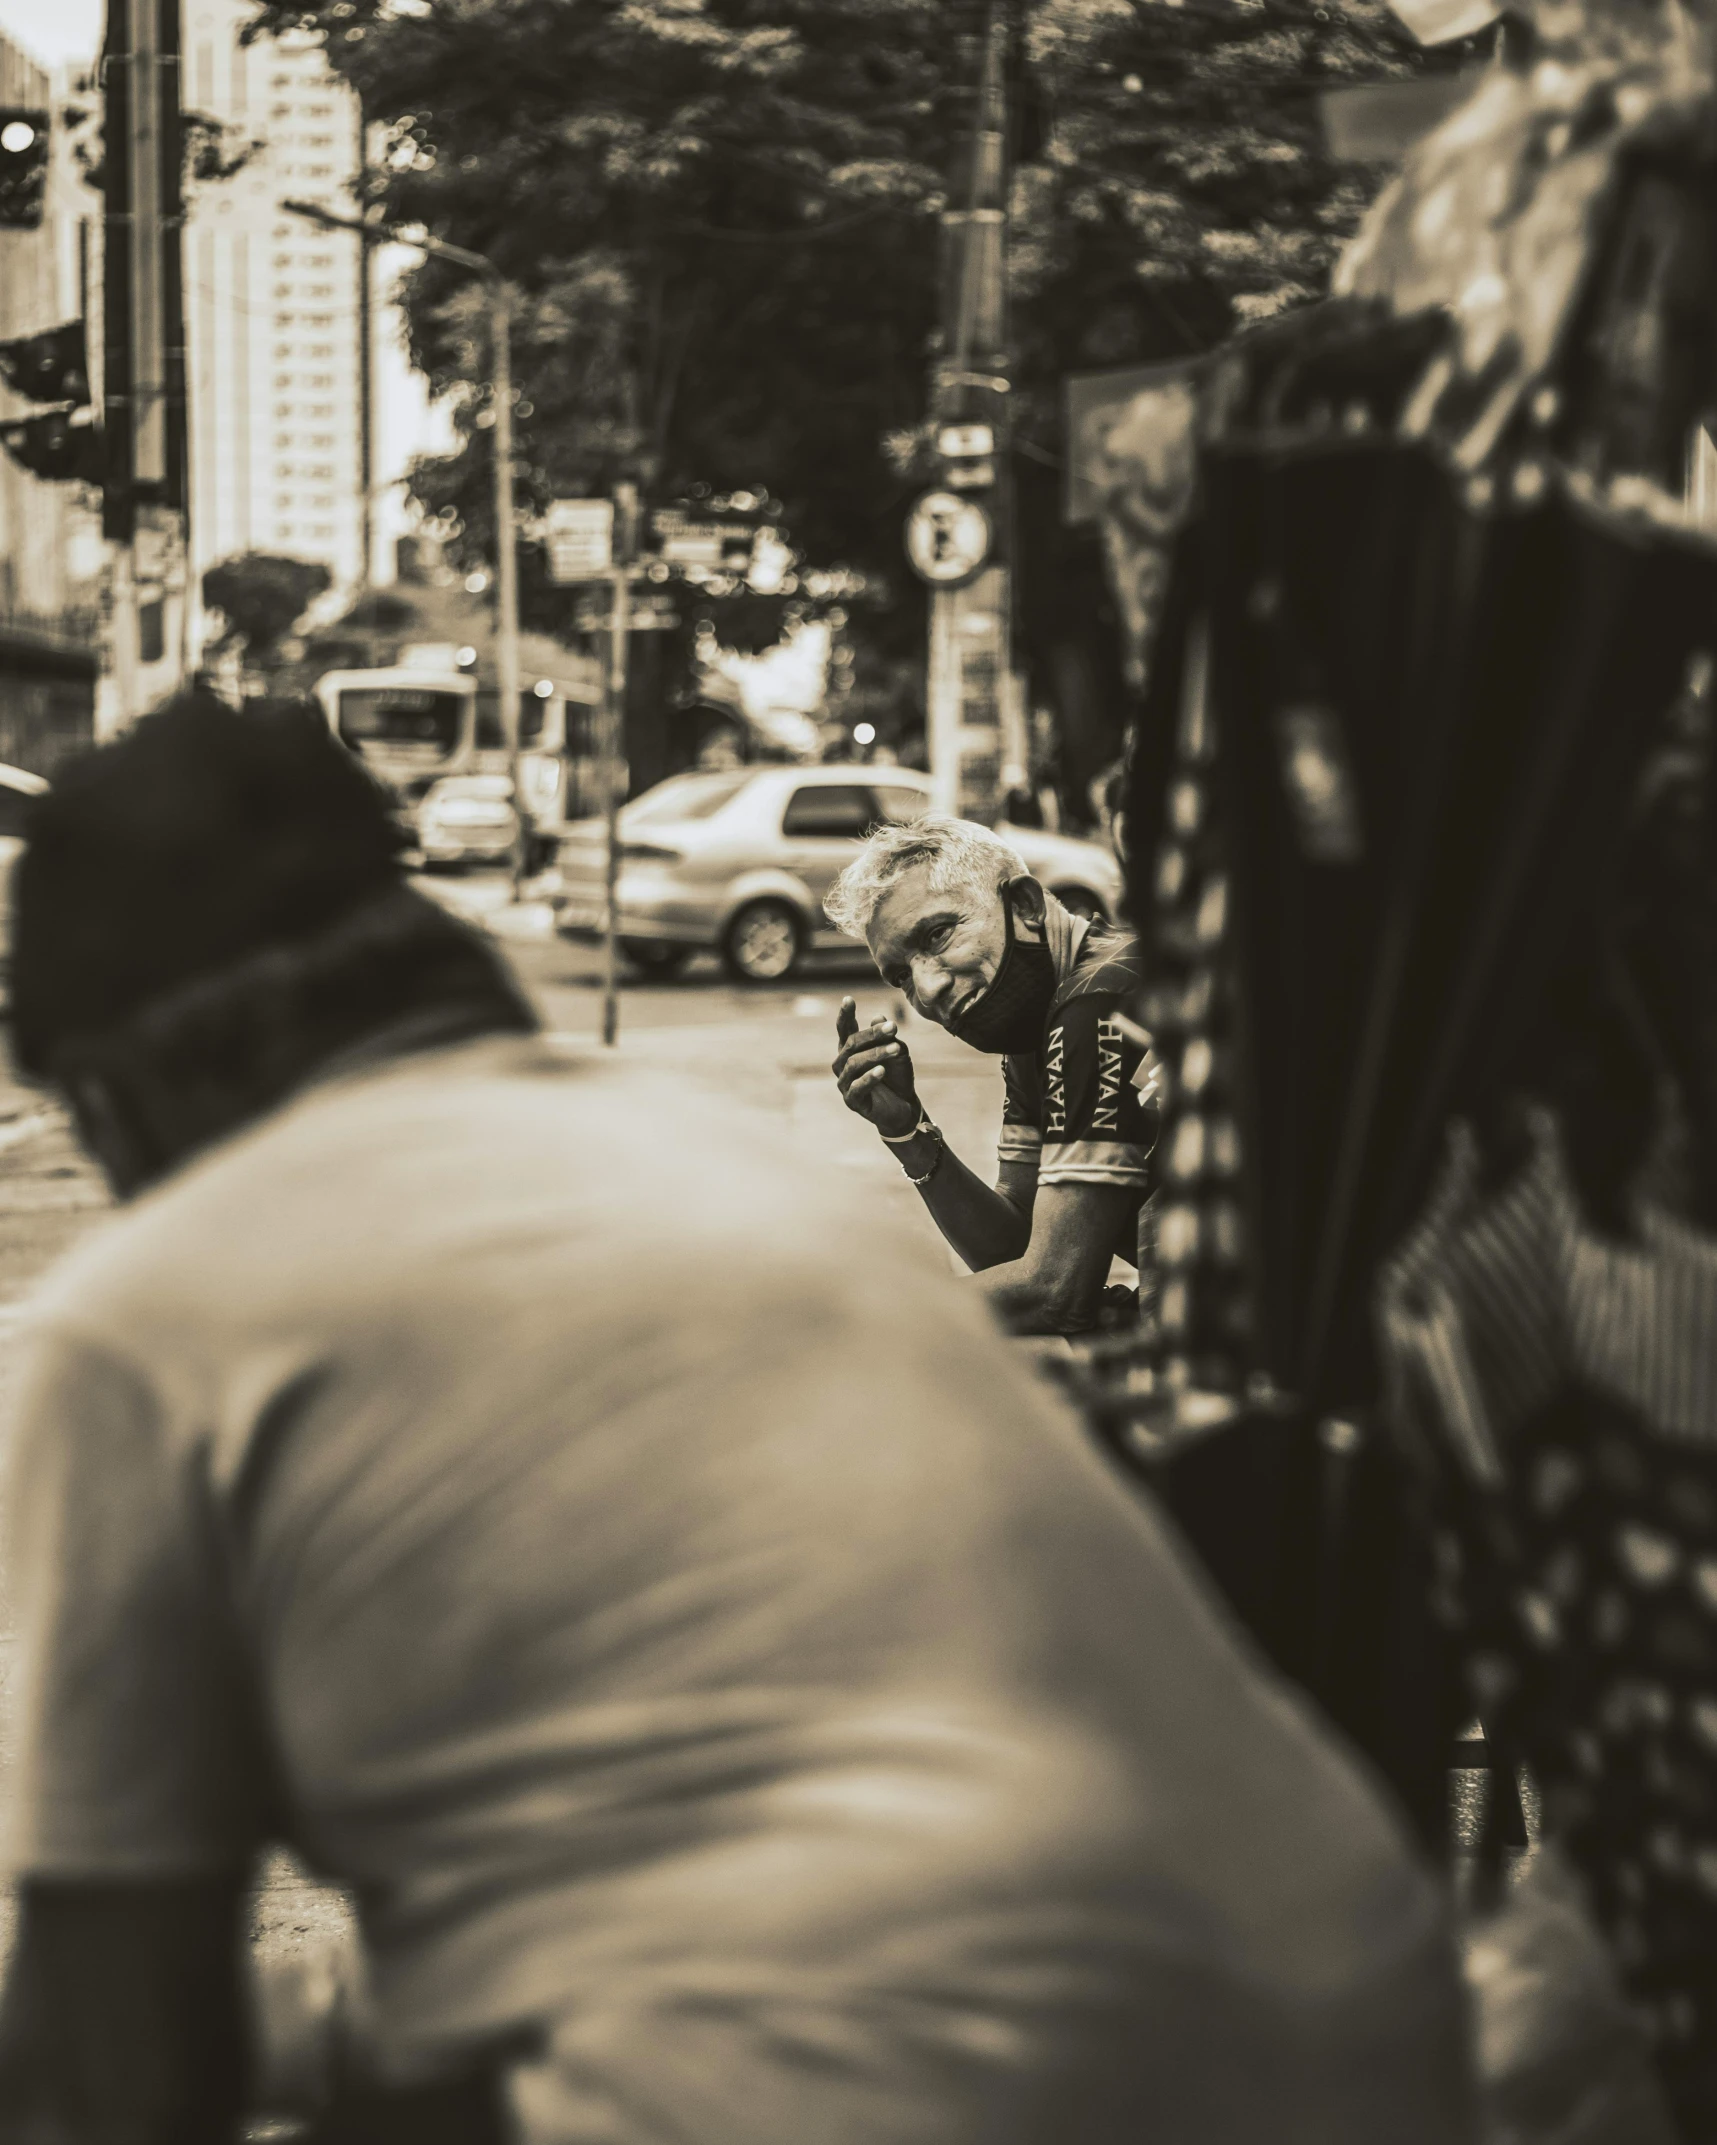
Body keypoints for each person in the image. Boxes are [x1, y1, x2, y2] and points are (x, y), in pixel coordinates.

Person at [0, 692, 1480, 2144]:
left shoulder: (144, 1329)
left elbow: (123, 2068)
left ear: (120, 1092)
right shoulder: (715, 1160)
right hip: (1358, 2019)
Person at [825, 814, 1157, 1336]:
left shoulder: (1095, 1006)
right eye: (901, 976)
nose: (927, 989)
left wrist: (859, 1320)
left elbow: (1052, 1291)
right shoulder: (1038, 1034)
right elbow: (1015, 1250)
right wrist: (907, 1132)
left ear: (1024, 905)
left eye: (937, 935)